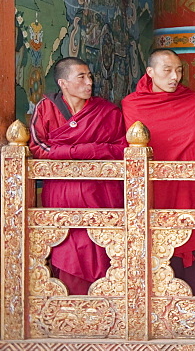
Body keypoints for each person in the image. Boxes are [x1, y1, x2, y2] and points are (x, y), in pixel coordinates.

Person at [121, 48, 195, 296]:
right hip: (156, 192)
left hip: (193, 190)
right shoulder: (133, 104)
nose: (174, 77)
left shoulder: (191, 101)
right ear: (150, 72)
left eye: (179, 71)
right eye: (167, 70)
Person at [28, 57, 127, 295]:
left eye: (90, 76)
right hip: (63, 193)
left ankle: (104, 304)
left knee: (101, 248)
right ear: (63, 82)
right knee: (68, 247)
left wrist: (86, 151)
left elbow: (123, 147)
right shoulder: (46, 108)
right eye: (81, 77)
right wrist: (82, 151)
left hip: (100, 192)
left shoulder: (106, 111)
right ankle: (68, 306)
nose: (89, 82)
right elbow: (38, 147)